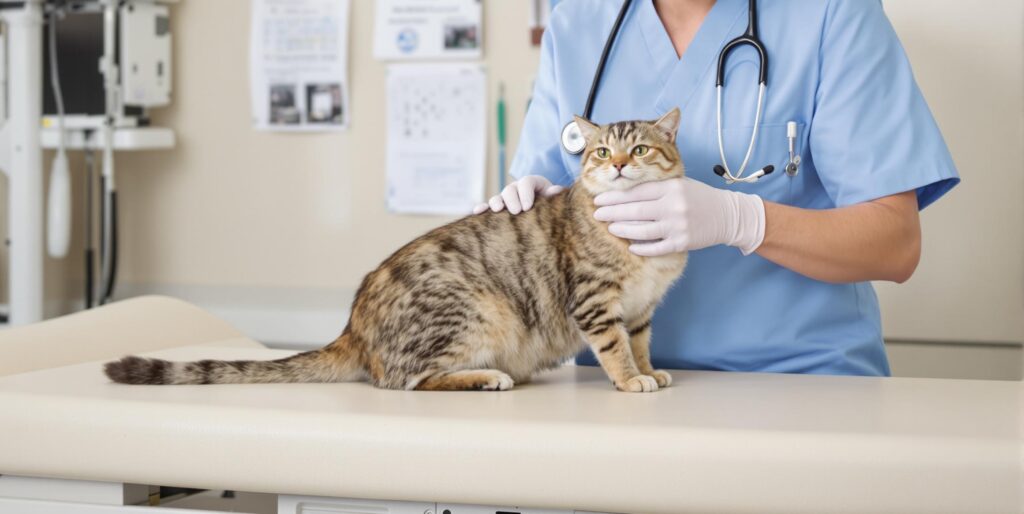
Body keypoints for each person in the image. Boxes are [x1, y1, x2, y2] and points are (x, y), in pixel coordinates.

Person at [475, 0, 959, 376]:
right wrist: (530, 207)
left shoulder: (831, 14)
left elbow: (895, 245)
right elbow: (555, 206)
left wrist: (744, 220)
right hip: (618, 386)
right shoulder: (578, 23)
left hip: (802, 382)